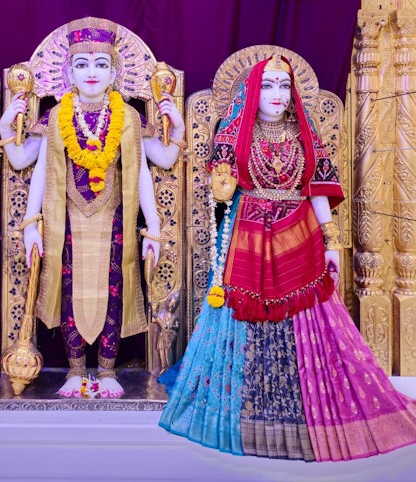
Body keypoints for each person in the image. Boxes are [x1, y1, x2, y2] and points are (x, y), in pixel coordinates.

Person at [159, 52, 416, 460]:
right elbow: (220, 190)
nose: (276, 94)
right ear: (252, 92)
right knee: (245, 315)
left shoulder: (304, 134)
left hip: (299, 234)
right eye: (267, 86)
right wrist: (216, 172)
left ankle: (303, 405)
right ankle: (249, 409)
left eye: (283, 86)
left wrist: (331, 242)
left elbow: (317, 188)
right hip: (248, 234)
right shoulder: (235, 132)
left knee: (307, 314)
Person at [3, 17, 185, 399]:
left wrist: (153, 228)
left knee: (114, 291)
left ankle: (106, 371)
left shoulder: (128, 118)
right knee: (69, 291)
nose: (91, 72)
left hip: (115, 221)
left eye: (101, 64)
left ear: (115, 73)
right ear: (68, 73)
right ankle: (75, 371)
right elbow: (30, 166)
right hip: (66, 222)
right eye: (81, 64)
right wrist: (30, 223)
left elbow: (153, 166)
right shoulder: (56, 117)